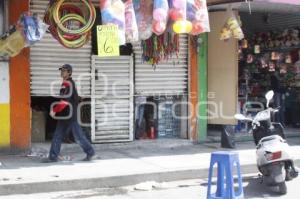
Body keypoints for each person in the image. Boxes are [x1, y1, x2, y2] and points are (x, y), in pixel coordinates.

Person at [43, 64, 95, 162]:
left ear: (69, 73)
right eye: (61, 70)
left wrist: (54, 110)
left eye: (64, 70)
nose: (62, 72)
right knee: (59, 136)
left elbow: (65, 101)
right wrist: (79, 98)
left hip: (68, 115)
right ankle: (53, 157)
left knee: (78, 136)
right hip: (67, 115)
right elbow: (73, 97)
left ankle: (90, 153)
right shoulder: (70, 83)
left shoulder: (67, 83)